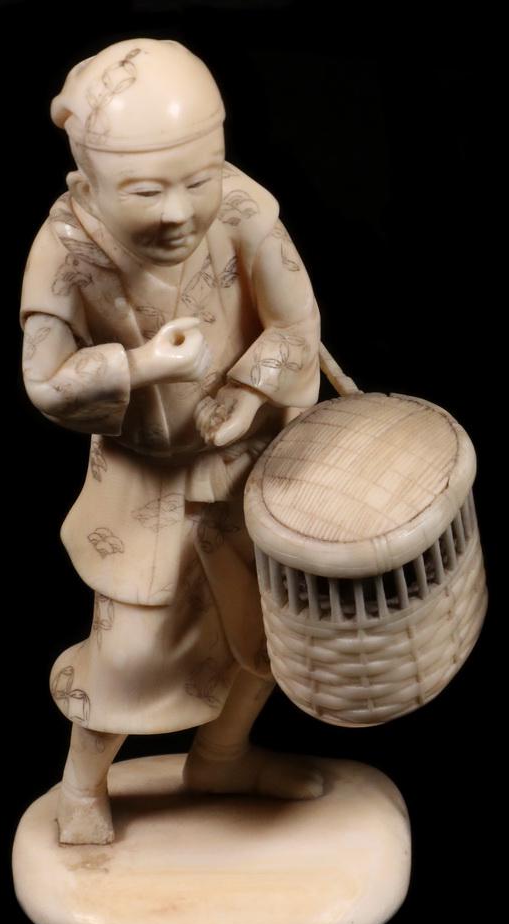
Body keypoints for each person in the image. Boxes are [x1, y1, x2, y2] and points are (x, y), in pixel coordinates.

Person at [20, 40, 323, 844]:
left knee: (268, 633)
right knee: (130, 651)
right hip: (144, 485)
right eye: (146, 191)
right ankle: (82, 782)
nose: (179, 212)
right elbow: (44, 380)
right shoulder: (65, 250)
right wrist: (143, 364)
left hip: (250, 465)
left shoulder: (243, 209)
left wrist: (251, 390)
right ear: (88, 183)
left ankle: (222, 757)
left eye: (199, 179)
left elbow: (297, 322)